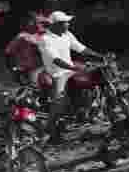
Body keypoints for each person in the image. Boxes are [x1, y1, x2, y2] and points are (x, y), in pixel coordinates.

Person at [39, 11, 105, 142]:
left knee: (96, 80)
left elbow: (81, 48)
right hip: (57, 73)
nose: (68, 24)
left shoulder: (66, 35)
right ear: (56, 25)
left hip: (71, 69)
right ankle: (49, 129)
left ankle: (89, 111)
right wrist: (73, 68)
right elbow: (56, 60)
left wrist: (100, 56)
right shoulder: (45, 39)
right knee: (59, 100)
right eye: (65, 22)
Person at [4, 12, 47, 86]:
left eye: (40, 23)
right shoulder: (21, 37)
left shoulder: (44, 36)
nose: (38, 25)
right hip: (26, 70)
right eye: (36, 22)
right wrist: (13, 69)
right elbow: (8, 52)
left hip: (40, 69)